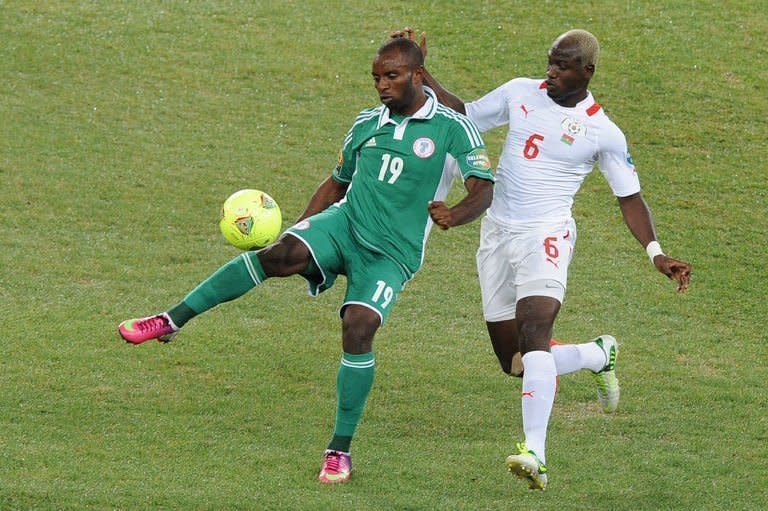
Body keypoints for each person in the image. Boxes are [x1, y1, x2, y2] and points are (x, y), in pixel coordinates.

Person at [117, 37, 494, 485]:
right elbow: (336, 183)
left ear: (417, 75)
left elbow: (483, 188)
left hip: (392, 253)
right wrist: (297, 229)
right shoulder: (366, 123)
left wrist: (456, 214)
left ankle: (339, 450)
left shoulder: (453, 128)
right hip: (345, 224)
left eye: (391, 76)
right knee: (277, 255)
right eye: (376, 77)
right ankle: (170, 320)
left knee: (359, 327)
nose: (381, 86)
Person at [394, 28, 691, 490]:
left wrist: (657, 253)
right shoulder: (520, 92)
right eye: (550, 61)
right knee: (514, 361)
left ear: (587, 71)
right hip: (497, 233)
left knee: (536, 330)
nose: (550, 71)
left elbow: (629, 197)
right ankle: (597, 354)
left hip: (547, 235)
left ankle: (536, 452)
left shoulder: (603, 132)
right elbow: (465, 115)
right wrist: (420, 71)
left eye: (562, 65)